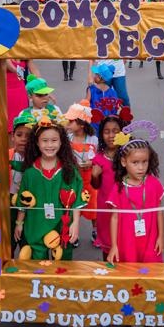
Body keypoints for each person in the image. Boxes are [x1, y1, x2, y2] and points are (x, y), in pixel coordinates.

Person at [12, 120, 85, 261]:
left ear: (61, 142)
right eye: (45, 141)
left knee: (63, 263)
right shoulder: (30, 172)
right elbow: (24, 200)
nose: (50, 145)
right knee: (38, 263)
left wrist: (75, 223)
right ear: (37, 143)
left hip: (63, 225)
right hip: (36, 224)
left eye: (54, 140)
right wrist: (19, 224)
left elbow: (76, 200)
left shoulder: (69, 170)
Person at [105, 137, 164, 264]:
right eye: (135, 162)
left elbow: (159, 212)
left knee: (151, 271)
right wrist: (114, 245)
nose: (141, 167)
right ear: (124, 162)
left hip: (150, 239)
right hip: (127, 241)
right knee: (129, 271)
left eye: (145, 162)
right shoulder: (119, 188)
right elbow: (114, 218)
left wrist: (161, 236)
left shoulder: (153, 184)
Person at [89, 114, 125, 260]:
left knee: (125, 242)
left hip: (124, 206)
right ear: (101, 135)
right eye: (106, 132)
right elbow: (95, 186)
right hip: (105, 209)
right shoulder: (98, 158)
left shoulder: (128, 155)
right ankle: (109, 269)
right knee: (107, 244)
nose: (111, 136)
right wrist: (94, 176)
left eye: (115, 131)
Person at [65, 101, 97, 248]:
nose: (68, 123)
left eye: (71, 121)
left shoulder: (93, 139)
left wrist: (92, 163)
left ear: (82, 124)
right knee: (72, 204)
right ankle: (73, 232)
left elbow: (97, 157)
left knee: (93, 205)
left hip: (89, 179)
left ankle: (95, 230)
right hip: (73, 178)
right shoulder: (68, 138)